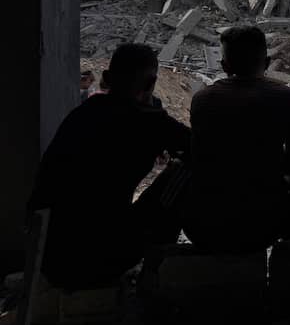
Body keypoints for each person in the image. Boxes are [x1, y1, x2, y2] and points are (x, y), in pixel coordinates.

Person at [28, 44, 190, 289]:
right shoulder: (149, 121)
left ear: (106, 78)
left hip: (50, 260)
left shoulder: (82, 114)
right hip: (97, 261)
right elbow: (204, 149)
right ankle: (154, 277)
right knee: (182, 172)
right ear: (150, 84)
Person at [183, 26, 290, 252]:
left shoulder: (203, 99)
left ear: (224, 65)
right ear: (267, 62)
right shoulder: (287, 98)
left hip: (206, 223)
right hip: (264, 224)